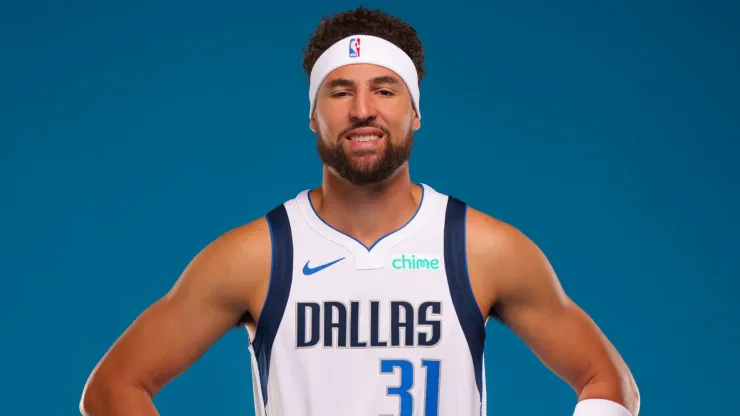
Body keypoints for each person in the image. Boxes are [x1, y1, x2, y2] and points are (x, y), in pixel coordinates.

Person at [80, 6, 639, 416]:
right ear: (312, 116)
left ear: (415, 112)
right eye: (340, 91)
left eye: (385, 90)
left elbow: (609, 384)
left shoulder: (480, 249)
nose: (363, 110)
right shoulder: (258, 256)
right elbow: (113, 389)